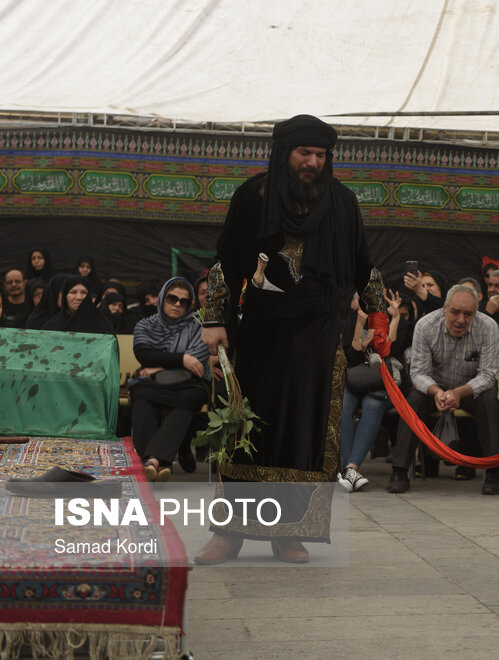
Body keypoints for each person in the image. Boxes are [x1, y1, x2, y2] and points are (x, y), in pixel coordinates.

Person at [195, 114, 373, 565]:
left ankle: (288, 532)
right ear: (283, 153)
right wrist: (214, 318)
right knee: (246, 429)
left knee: (303, 433)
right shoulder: (252, 197)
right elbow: (226, 261)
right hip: (260, 332)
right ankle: (229, 533)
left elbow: (362, 264)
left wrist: (379, 312)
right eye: (304, 153)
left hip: (316, 335)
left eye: (321, 155)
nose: (313, 162)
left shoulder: (343, 202)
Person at [387, 284, 499, 495]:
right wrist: (437, 392)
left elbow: (488, 375)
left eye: (468, 314)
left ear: (476, 313)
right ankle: (399, 470)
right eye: (455, 312)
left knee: (489, 401)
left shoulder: (489, 327)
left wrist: (459, 392)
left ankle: (494, 471)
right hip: (434, 387)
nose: (461, 320)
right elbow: (418, 373)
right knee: (411, 402)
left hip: (470, 388)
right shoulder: (425, 325)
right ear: (444, 308)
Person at [129, 278, 211, 482]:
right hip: (155, 386)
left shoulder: (198, 325)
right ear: (162, 299)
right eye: (172, 299)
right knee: (141, 394)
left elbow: (197, 364)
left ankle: (151, 461)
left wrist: (157, 366)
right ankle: (161, 462)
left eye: (184, 301)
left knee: (192, 396)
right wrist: (182, 358)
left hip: (188, 384)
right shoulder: (145, 325)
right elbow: (144, 355)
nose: (177, 305)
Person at [339, 290, 403, 492]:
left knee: (372, 405)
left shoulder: (397, 320)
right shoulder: (352, 320)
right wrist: (360, 325)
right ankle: (347, 472)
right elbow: (352, 357)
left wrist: (395, 318)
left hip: (382, 381)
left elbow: (392, 350)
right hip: (358, 378)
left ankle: (351, 468)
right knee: (343, 405)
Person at [41, 276, 114, 335]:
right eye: (73, 292)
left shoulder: (103, 326)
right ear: (65, 296)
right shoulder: (52, 327)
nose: (79, 297)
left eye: (84, 292)